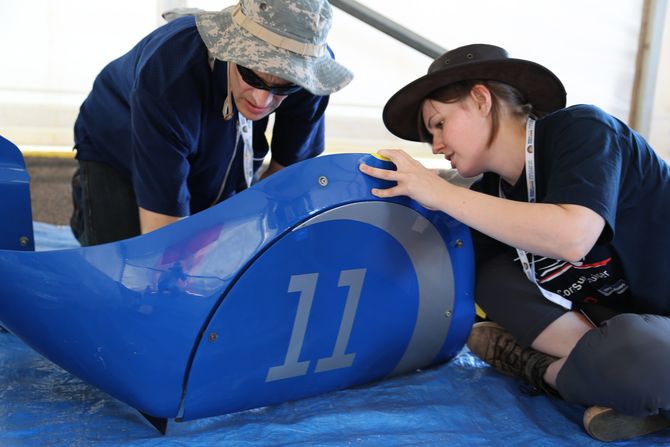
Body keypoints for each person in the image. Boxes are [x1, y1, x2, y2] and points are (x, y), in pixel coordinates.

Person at [359, 43, 670, 442]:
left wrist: (439, 192)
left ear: (481, 99)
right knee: (641, 355)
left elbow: (574, 237)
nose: (434, 146)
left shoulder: (584, 130)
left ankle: (546, 373)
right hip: (625, 340)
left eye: (439, 124)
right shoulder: (484, 204)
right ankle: (631, 390)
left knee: (647, 357)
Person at [71, 0, 353, 246]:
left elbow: (287, 179)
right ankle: (90, 212)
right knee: (125, 271)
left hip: (217, 131)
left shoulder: (308, 76)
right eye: (254, 76)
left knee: (224, 232)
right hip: (118, 139)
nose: (262, 100)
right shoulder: (168, 78)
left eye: (283, 87)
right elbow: (163, 234)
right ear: (231, 49)